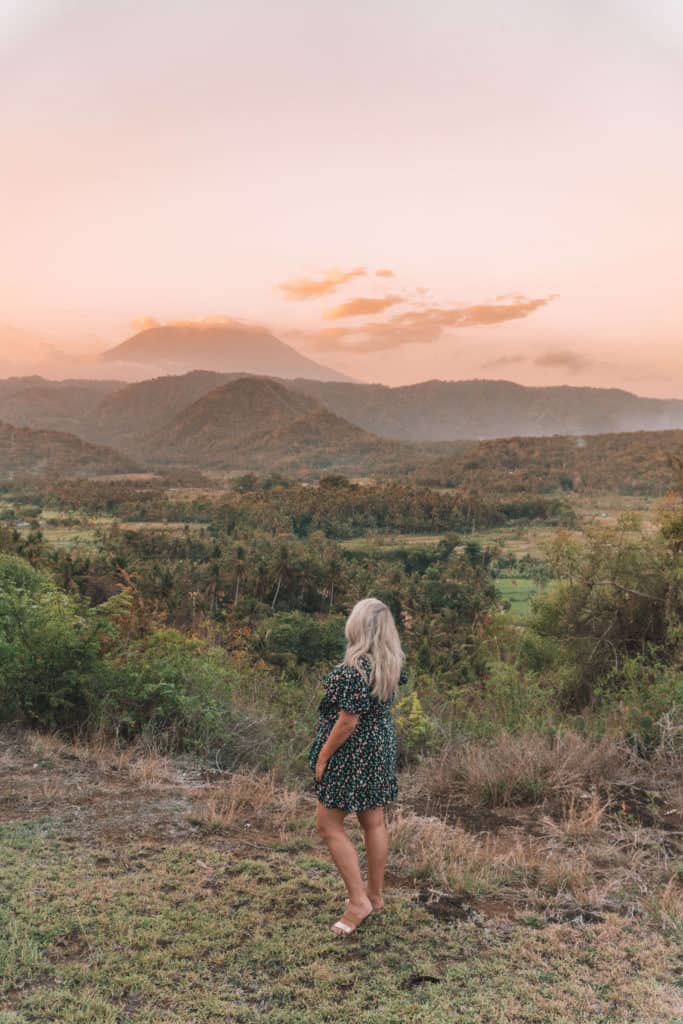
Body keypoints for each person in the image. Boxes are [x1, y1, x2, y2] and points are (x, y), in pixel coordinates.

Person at [307, 597, 408, 937]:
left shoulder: (350, 671)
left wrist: (323, 756)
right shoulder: (389, 664)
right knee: (373, 821)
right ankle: (375, 897)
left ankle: (358, 902)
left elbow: (348, 721)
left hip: (351, 752)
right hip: (379, 747)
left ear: (356, 627)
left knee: (328, 824)